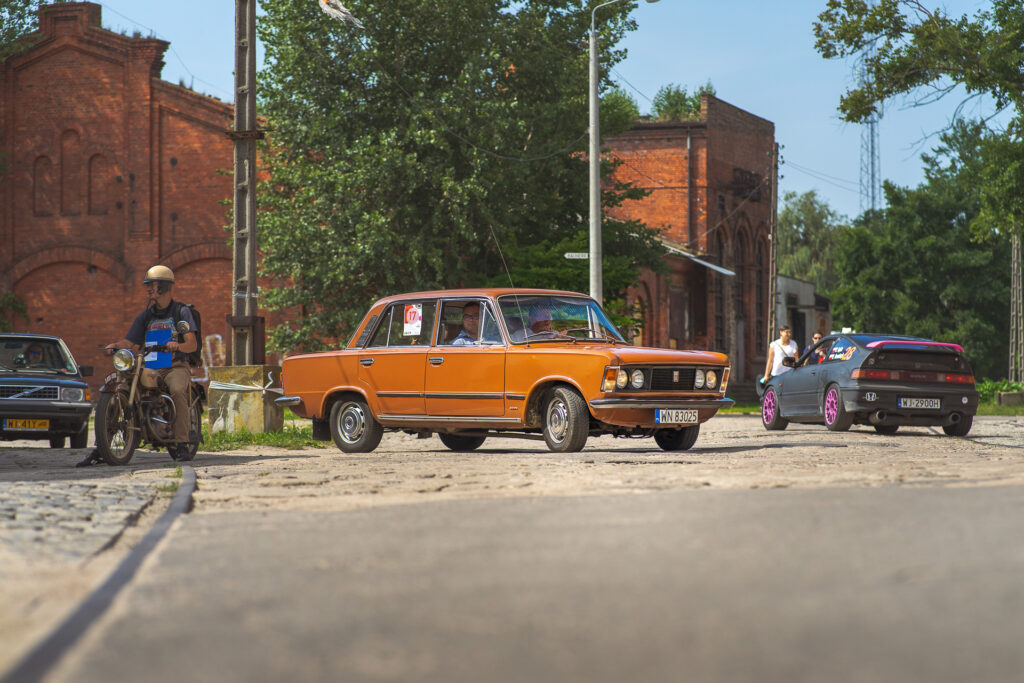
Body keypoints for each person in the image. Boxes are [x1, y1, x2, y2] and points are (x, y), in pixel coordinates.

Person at [105, 265, 198, 460]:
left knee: (178, 391)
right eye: (147, 285)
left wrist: (177, 345)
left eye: (152, 285)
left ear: (164, 286)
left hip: (175, 366)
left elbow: (192, 344)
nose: (148, 289)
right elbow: (130, 342)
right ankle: (103, 443)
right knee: (124, 381)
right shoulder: (146, 315)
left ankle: (181, 442)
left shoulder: (181, 312)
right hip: (151, 365)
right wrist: (116, 345)